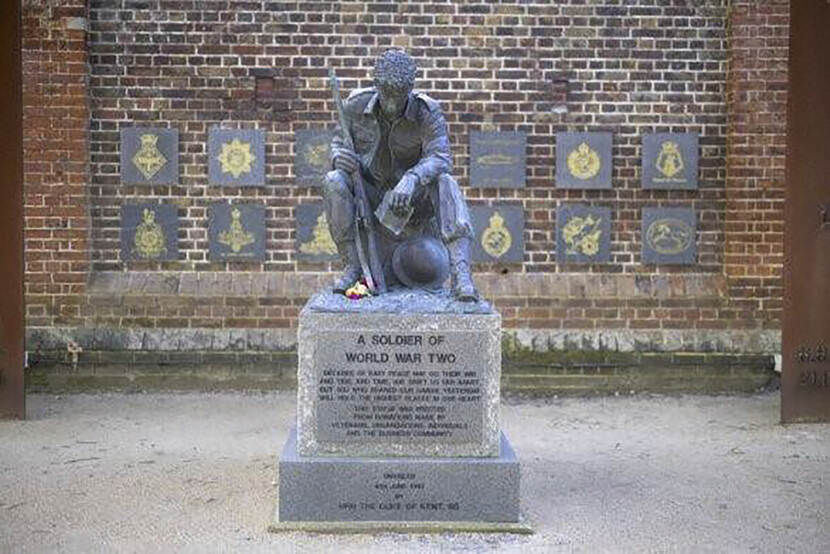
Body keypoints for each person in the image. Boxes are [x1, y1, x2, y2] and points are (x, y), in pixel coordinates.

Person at [323, 49, 477, 301]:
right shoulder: (354, 105)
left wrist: (412, 178)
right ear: (377, 87)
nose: (392, 105)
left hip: (415, 201)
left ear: (410, 89)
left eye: (399, 97)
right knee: (333, 181)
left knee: (446, 182)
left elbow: (441, 157)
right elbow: (339, 145)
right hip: (372, 195)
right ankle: (352, 266)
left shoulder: (427, 111)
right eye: (386, 96)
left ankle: (461, 275)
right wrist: (338, 158)